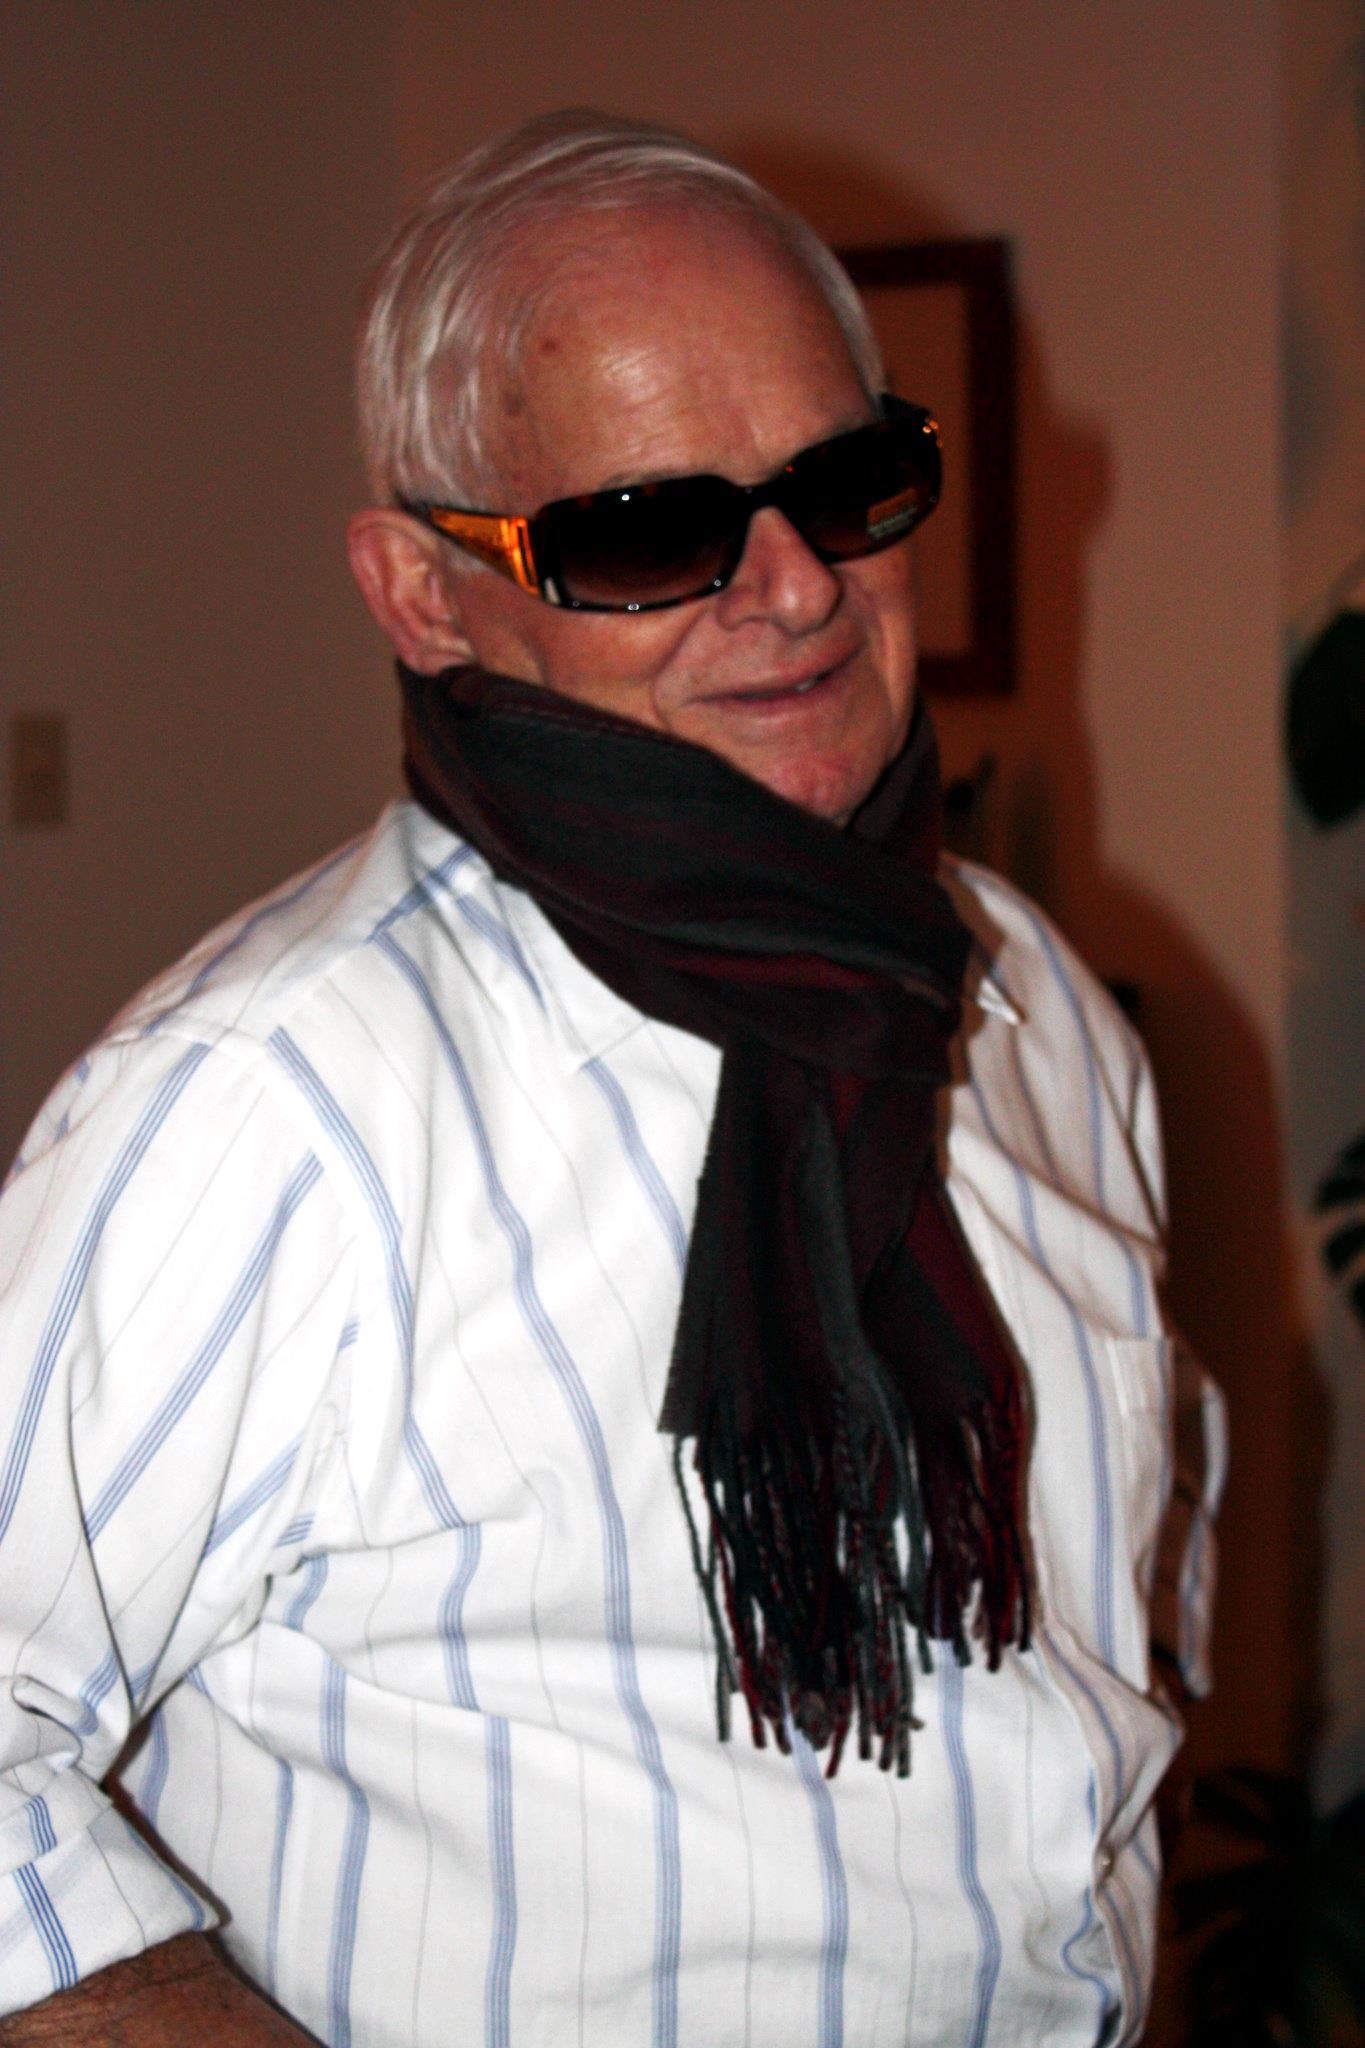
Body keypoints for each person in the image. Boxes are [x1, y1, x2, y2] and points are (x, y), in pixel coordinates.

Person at [0, 112, 1220, 2047]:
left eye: (845, 483)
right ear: (423, 595)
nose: (795, 588)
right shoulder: (265, 1106)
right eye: (650, 529)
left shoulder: (1028, 1002)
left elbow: (1119, 1629)